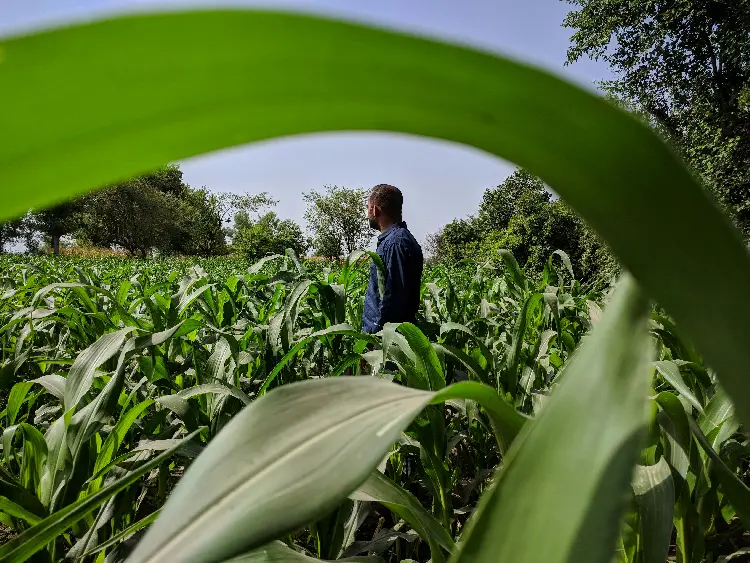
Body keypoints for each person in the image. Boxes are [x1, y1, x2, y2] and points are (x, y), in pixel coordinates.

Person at [362, 184, 424, 334]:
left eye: (368, 208)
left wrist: (374, 341)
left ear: (375, 210)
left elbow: (394, 299)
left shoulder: (396, 243)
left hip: (385, 341)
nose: (367, 214)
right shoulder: (395, 240)